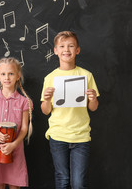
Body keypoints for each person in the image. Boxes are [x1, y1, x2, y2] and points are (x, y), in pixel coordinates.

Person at [40, 31, 99, 189]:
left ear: (77, 50)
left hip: (81, 136)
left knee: (79, 183)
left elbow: (93, 107)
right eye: (62, 46)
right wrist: (46, 99)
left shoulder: (86, 75)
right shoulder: (50, 78)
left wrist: (93, 98)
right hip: (58, 135)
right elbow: (45, 111)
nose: (67, 49)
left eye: (71, 46)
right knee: (63, 179)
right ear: (55, 50)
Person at [0, 57, 33, 189]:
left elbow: (24, 128)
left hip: (15, 149)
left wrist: (14, 144)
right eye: (3, 74)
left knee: (15, 185)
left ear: (18, 76)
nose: (7, 77)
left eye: (11, 73)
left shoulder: (24, 102)